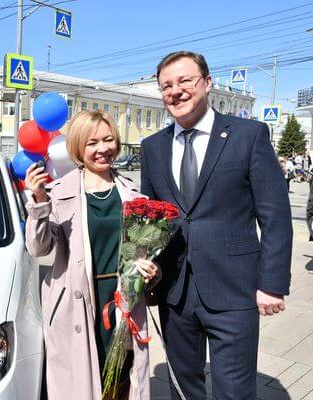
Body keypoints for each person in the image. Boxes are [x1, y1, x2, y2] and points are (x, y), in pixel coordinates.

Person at [140, 51, 292, 400]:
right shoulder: (152, 147)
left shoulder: (248, 135)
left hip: (234, 289)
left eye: (185, 81)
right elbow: (150, 219)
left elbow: (275, 216)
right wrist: (143, 270)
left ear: (207, 83)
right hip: (175, 292)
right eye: (166, 86)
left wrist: (272, 284)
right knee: (183, 389)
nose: (175, 91)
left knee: (234, 391)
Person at [25, 110, 160, 400]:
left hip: (120, 302)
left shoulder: (133, 195)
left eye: (108, 140)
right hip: (77, 304)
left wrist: (151, 271)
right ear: (78, 147)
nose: (103, 149)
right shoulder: (58, 193)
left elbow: (141, 253)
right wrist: (38, 203)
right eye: (92, 143)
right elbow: (39, 250)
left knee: (120, 380)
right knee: (81, 385)